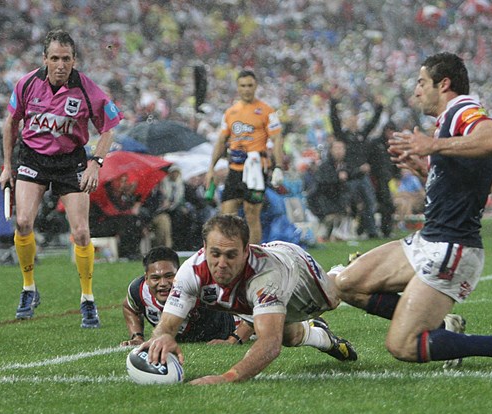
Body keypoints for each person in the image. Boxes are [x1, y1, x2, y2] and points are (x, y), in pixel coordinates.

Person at [334, 52, 492, 368]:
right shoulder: (446, 124)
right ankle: (443, 329)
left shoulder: (462, 109)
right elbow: (480, 187)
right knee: (347, 283)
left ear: (444, 83)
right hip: (429, 239)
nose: (417, 91)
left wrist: (433, 147)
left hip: (453, 246)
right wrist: (425, 169)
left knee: (403, 345)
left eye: (422, 83)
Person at [0, 29, 123, 327]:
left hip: (71, 161)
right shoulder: (27, 84)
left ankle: (88, 299)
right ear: (45, 59)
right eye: (54, 58)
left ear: (74, 60)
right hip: (33, 158)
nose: (60, 65)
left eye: (66, 59)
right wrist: (6, 166)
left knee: (81, 233)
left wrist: (96, 162)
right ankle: (29, 288)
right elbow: (10, 125)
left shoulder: (88, 89)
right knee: (24, 222)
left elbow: (108, 128)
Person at [139, 214, 358, 385]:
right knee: (289, 337)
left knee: (336, 296)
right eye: (215, 254)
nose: (221, 263)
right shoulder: (191, 272)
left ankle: (347, 270)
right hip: (250, 294)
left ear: (246, 251)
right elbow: (166, 325)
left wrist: (228, 378)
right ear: (204, 249)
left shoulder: (266, 276)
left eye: (231, 255)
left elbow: (269, 345)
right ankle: (323, 337)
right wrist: (163, 337)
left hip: (293, 266)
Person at [204, 70, 284, 245]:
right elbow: (221, 141)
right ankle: (230, 252)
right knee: (226, 216)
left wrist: (278, 166)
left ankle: (254, 256)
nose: (247, 89)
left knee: (251, 214)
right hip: (235, 169)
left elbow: (277, 138)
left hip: (256, 169)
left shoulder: (266, 111)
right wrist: (211, 168)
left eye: (250, 85)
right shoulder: (231, 112)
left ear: (255, 86)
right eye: (243, 86)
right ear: (237, 88)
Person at [120, 246, 253, 347]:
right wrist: (137, 336)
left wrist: (234, 339)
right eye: (155, 278)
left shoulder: (199, 285)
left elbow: (251, 308)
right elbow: (129, 307)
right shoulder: (137, 290)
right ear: (146, 279)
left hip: (228, 326)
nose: (163, 284)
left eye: (169, 276)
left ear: (180, 273)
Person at [329, 93, 383, 238]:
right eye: (351, 120)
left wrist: (379, 107)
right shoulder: (343, 136)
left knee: (370, 203)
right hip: (350, 176)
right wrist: (333, 102)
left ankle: (371, 231)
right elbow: (334, 121)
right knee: (349, 205)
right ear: (346, 122)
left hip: (363, 176)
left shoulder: (361, 135)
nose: (354, 122)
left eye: (355, 119)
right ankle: (348, 231)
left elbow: (373, 124)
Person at [306, 139, 353, 240]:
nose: (339, 151)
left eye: (341, 148)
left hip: (337, 203)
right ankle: (327, 233)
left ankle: (336, 233)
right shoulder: (325, 167)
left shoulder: (346, 166)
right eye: (336, 148)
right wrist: (338, 178)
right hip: (322, 203)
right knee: (333, 218)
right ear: (331, 150)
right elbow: (322, 188)